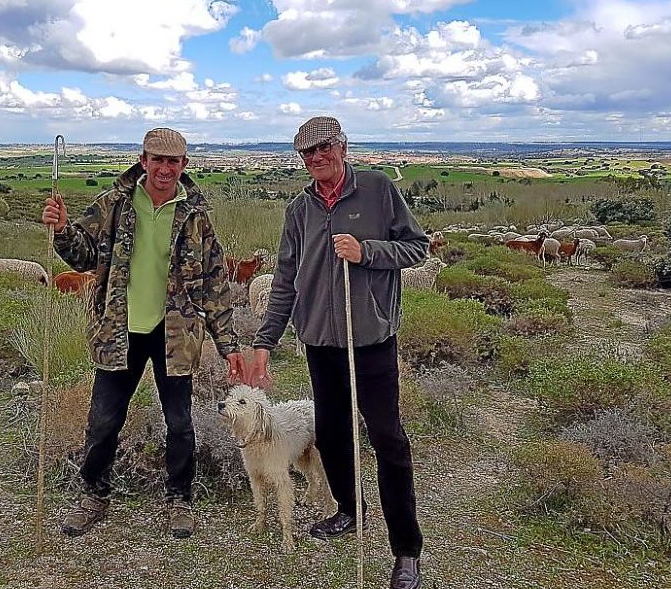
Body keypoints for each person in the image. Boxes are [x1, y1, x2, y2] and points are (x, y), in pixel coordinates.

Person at [249, 116, 428, 589]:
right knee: (330, 436)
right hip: (321, 342)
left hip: (370, 341)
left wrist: (367, 251)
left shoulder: (378, 189)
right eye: (307, 153)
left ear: (343, 146)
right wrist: (266, 340)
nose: (316, 158)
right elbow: (285, 280)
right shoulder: (298, 210)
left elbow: (416, 248)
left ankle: (406, 550)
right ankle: (351, 509)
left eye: (323, 147)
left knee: (387, 439)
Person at [41, 127, 246, 540]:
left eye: (173, 161)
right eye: (157, 159)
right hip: (120, 330)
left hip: (176, 335)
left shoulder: (197, 216)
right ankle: (94, 494)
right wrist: (63, 229)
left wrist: (229, 346)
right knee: (102, 422)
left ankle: (179, 499)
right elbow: (82, 255)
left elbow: (214, 284)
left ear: (184, 165)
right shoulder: (113, 203)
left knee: (179, 423)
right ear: (143, 160)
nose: (165, 168)